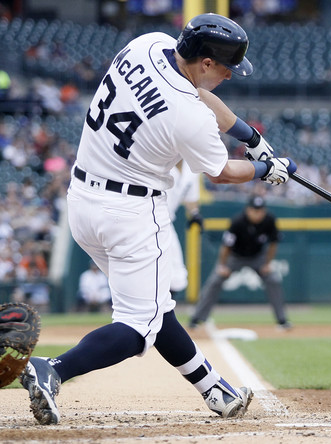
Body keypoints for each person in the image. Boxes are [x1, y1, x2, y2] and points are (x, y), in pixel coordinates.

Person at [19, 13, 296, 426]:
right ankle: (54, 369)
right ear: (205, 62)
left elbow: (198, 95)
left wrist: (250, 138)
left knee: (154, 307)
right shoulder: (188, 116)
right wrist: (267, 169)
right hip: (130, 214)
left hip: (82, 201)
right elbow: (221, 172)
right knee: (136, 329)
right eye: (225, 67)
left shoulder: (147, 44)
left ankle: (214, 389)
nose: (229, 75)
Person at [190, 195, 291, 330]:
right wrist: (222, 265)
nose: (257, 213)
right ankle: (197, 318)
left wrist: (268, 263)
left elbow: (273, 243)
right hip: (235, 256)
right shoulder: (238, 221)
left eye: (260, 210)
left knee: (273, 280)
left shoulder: (269, 220)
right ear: (248, 210)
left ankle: (282, 320)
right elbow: (226, 246)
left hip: (258, 257)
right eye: (254, 210)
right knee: (215, 280)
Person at [166, 159, 203, 296]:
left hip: (165, 222)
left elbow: (190, 197)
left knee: (176, 277)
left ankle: (163, 313)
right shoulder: (159, 156)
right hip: (145, 218)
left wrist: (195, 214)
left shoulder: (192, 166)